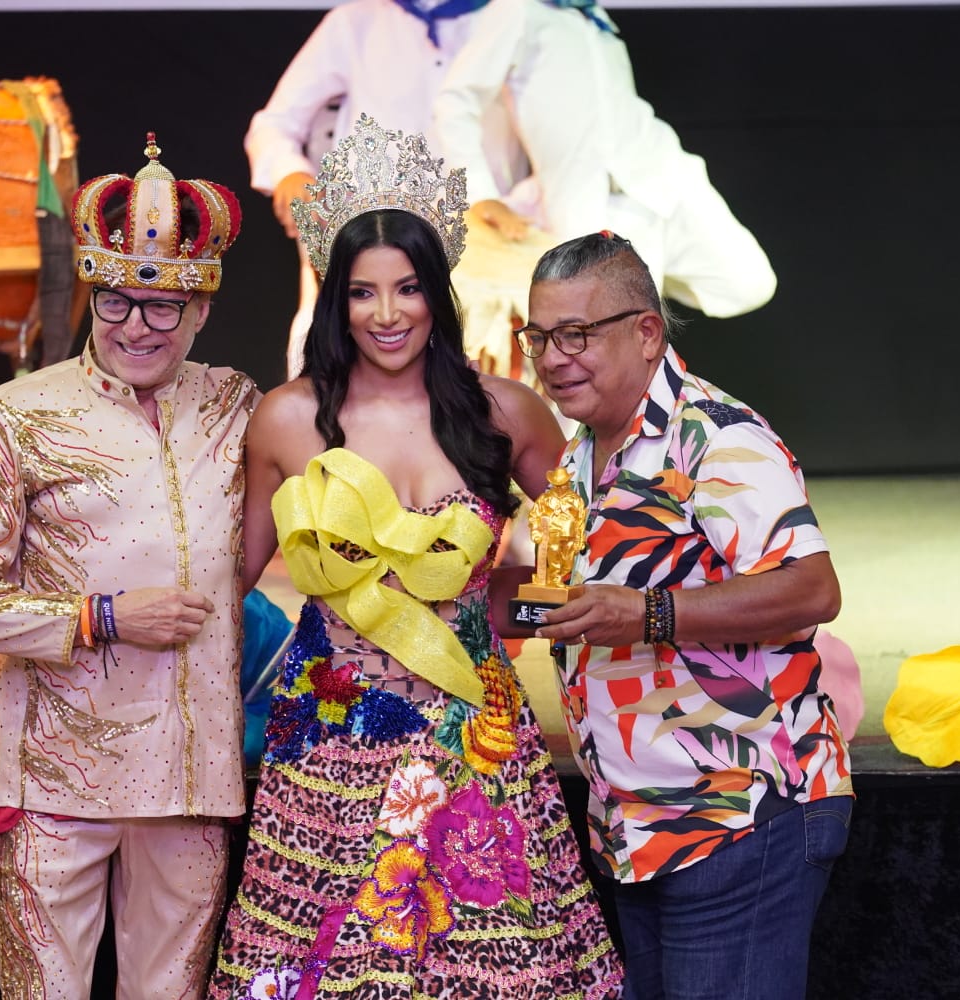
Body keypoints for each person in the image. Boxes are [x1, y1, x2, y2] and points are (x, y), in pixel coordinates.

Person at [209, 114, 623, 999]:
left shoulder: (504, 411)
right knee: (330, 965)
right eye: (363, 292)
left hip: (474, 728)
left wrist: (521, 607)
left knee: (492, 967)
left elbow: (590, 541)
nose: (387, 314)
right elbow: (224, 582)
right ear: (334, 297)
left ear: (439, 291)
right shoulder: (284, 418)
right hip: (327, 737)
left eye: (407, 289)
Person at [0, 134, 256, 999]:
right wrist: (99, 615)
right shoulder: (15, 417)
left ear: (202, 311)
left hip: (191, 780)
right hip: (59, 780)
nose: (136, 327)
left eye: (162, 309)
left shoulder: (236, 406)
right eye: (113, 302)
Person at [523, 231, 853, 1000]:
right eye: (539, 336)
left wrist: (648, 613)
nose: (552, 356)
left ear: (646, 332)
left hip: (739, 813)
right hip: (641, 826)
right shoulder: (584, 454)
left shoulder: (713, 435)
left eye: (576, 334)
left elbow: (811, 588)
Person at [432, 0, 777, 325]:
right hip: (593, 201)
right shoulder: (517, 9)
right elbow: (456, 100)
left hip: (663, 174)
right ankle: (636, 282)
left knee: (749, 282)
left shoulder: (594, 15)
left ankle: (645, 280)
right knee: (624, 339)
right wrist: (480, 193)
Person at [245, 0, 529, 379]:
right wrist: (290, 174)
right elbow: (273, 125)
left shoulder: (522, 19)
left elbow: (565, 143)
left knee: (482, 387)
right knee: (331, 369)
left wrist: (523, 207)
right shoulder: (356, 21)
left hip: (486, 255)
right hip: (366, 242)